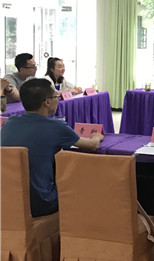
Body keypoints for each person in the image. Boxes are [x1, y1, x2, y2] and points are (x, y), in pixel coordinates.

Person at [1, 78, 103, 217]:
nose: (58, 99)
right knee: (83, 180)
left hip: (8, 200)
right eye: (56, 96)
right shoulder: (56, 126)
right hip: (41, 203)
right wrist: (96, 136)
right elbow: (92, 146)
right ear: (47, 102)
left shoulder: (9, 123)